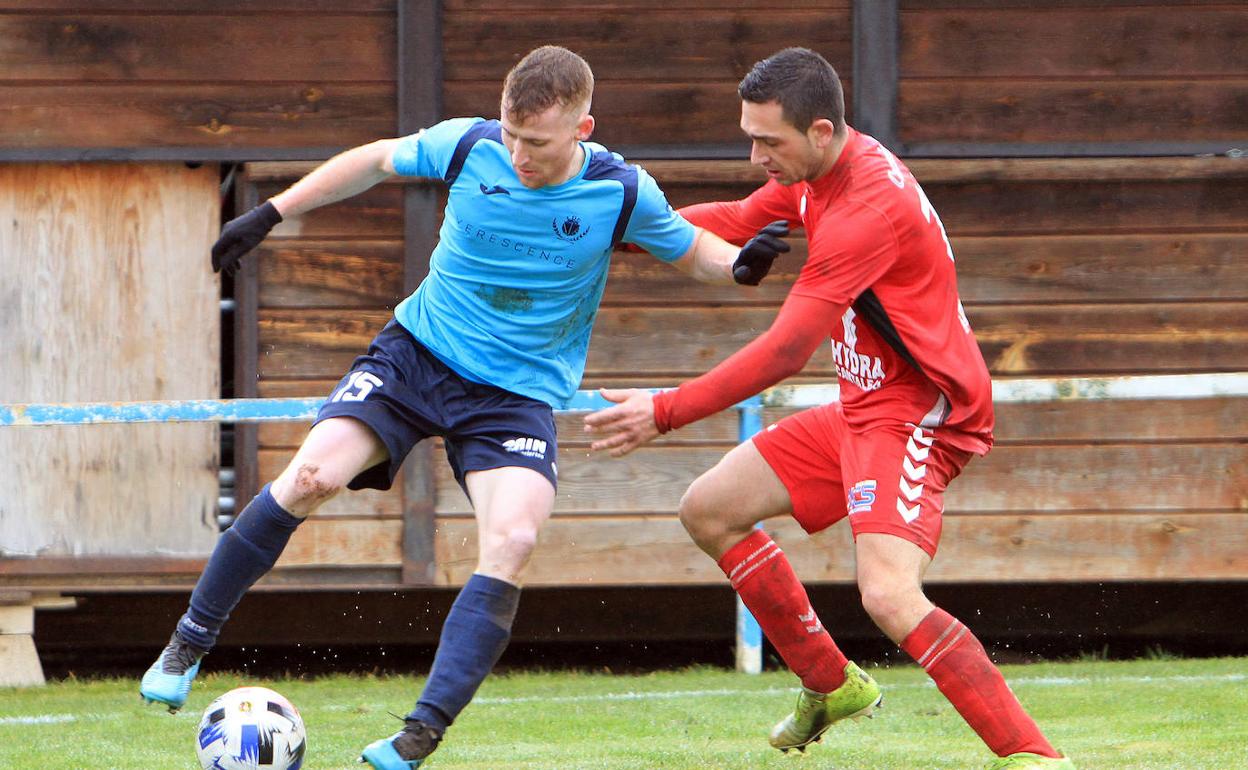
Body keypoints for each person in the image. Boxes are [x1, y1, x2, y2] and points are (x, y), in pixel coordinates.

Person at [138, 45, 787, 770]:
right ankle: (188, 642)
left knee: (513, 539)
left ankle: (417, 737)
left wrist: (740, 266)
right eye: (511, 135)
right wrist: (271, 211)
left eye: (536, 143)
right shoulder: (470, 145)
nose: (517, 155)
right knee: (311, 477)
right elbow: (379, 159)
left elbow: (691, 250)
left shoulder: (621, 191)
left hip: (515, 396)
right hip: (415, 357)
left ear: (583, 127)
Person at [584, 48, 1074, 770]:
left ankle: (1033, 755)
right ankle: (830, 680)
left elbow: (785, 352)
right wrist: (617, 228)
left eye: (768, 142)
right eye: (749, 138)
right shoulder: (819, 173)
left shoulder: (864, 210)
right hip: (865, 407)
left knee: (888, 595)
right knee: (709, 509)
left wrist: (664, 410)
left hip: (921, 415)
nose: (756, 156)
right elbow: (736, 218)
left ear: (819, 131)